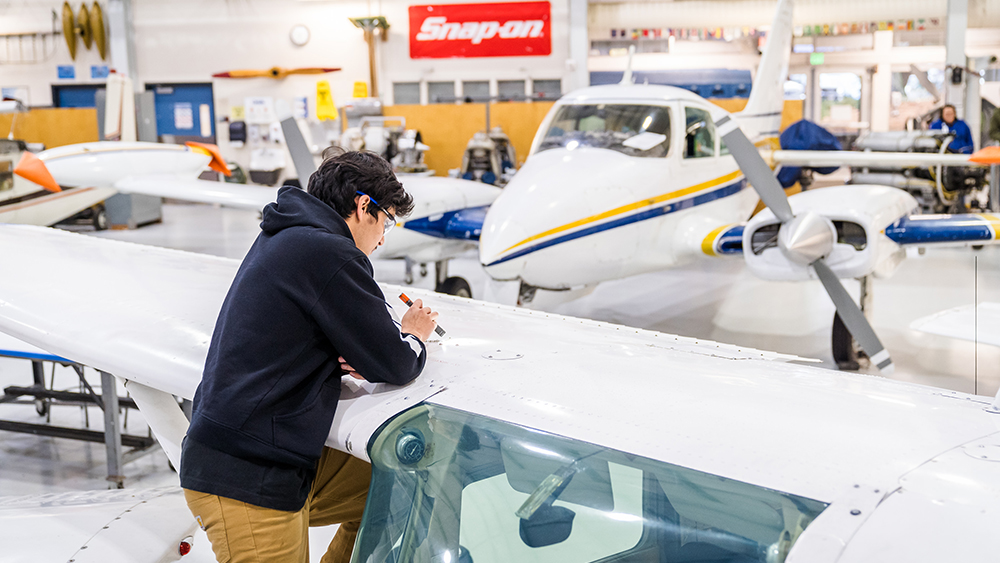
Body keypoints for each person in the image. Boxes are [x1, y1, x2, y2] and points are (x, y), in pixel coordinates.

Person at [179, 149, 439, 563]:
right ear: (362, 206)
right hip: (249, 474)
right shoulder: (329, 253)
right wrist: (414, 335)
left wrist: (346, 349)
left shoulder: (287, 235)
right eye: (386, 220)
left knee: (396, 478)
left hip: (264, 454)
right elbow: (396, 362)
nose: (384, 237)